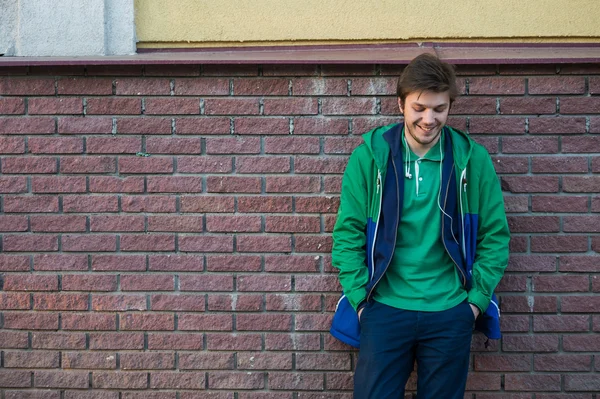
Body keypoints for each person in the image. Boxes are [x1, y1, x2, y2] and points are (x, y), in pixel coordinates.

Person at [330, 54, 510, 398]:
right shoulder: (371, 157)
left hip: (450, 310)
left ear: (449, 107)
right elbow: (348, 231)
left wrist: (474, 303)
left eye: (439, 109)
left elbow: (495, 236)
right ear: (401, 105)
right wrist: (361, 300)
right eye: (419, 108)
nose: (429, 119)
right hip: (384, 307)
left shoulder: (472, 160)